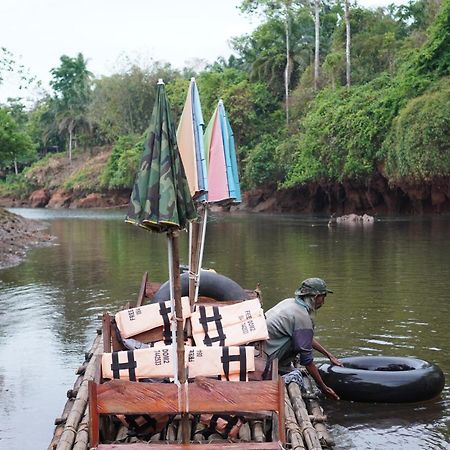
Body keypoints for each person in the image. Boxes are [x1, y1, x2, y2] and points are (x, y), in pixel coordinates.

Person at [264, 277, 341, 400]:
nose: (323, 302)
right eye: (323, 297)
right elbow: (307, 360)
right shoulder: (302, 316)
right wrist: (323, 387)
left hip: (262, 351)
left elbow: (306, 338)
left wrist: (328, 355)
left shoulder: (289, 302)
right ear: (315, 297)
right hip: (266, 362)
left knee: (298, 339)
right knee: (299, 346)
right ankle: (279, 369)